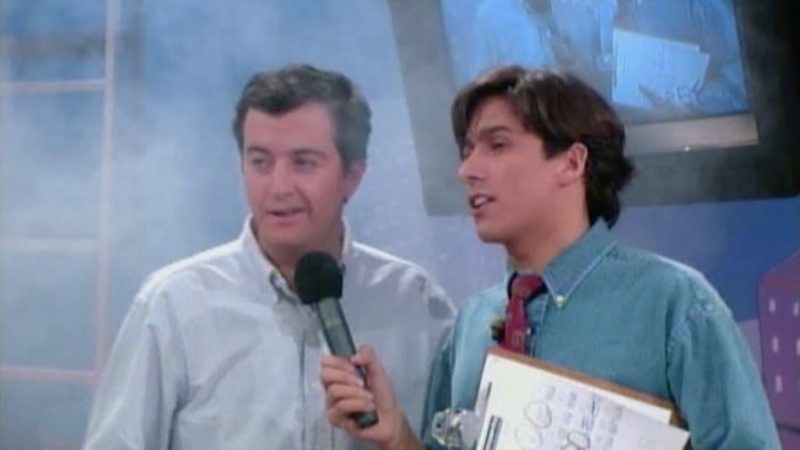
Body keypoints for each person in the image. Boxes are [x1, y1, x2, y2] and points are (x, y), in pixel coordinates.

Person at [320, 66, 781, 449]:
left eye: (497, 145)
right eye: (466, 151)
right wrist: (397, 434)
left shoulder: (673, 304)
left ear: (572, 163)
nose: (467, 170)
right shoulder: (471, 323)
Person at [82, 64, 455, 450]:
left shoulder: (415, 302)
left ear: (352, 176)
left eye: (304, 163)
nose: (278, 187)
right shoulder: (173, 304)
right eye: (260, 162)